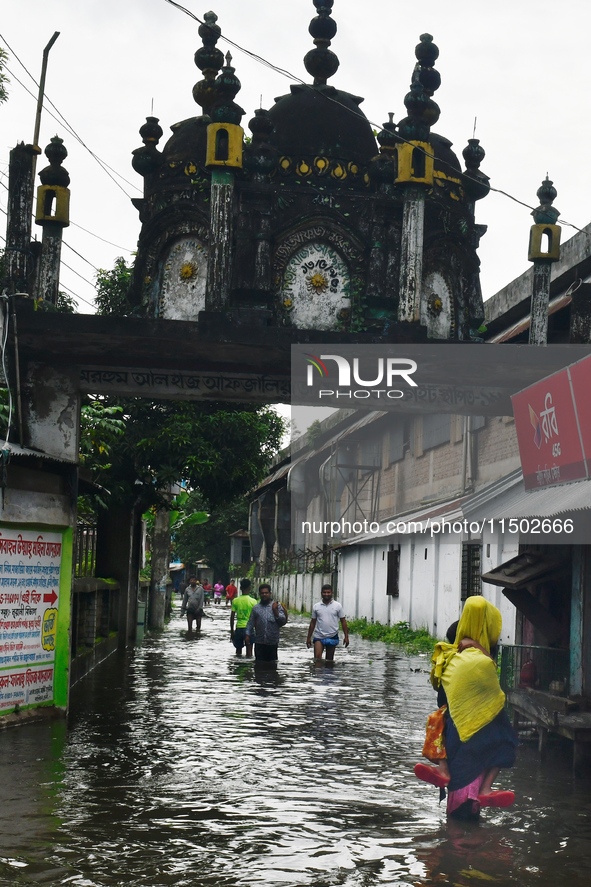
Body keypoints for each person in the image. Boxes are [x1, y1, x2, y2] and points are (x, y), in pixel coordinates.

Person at [420, 596, 518, 820]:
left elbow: (439, 689)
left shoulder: (448, 656)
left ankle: (443, 769)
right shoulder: (482, 660)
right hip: (478, 730)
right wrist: (479, 648)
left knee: (437, 731)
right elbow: (491, 674)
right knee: (507, 740)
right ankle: (483, 790)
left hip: (452, 725)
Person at [245, 584, 287, 663]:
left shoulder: (277, 606)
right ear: (260, 594)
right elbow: (250, 622)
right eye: (262, 593)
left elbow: (283, 621)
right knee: (259, 667)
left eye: (266, 593)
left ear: (270, 593)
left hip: (272, 642)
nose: (264, 595)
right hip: (259, 642)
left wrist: (275, 611)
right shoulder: (256, 608)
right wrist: (247, 635)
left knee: (272, 666)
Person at [306, 584, 349, 661]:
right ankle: (318, 673)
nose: (326, 594)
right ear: (321, 593)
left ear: (332, 593)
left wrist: (346, 637)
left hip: (332, 635)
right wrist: (308, 638)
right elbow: (313, 623)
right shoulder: (316, 606)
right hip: (319, 636)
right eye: (324, 592)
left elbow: (343, 621)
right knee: (317, 659)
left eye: (328, 592)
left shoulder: (337, 606)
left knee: (329, 661)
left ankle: (328, 673)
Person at [230, 579, 258, 656]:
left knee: (238, 652)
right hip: (249, 629)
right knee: (249, 652)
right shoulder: (254, 601)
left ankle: (238, 666)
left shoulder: (235, 601)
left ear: (240, 588)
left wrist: (232, 631)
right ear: (250, 588)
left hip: (239, 628)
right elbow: (255, 618)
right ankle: (248, 667)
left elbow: (232, 618)